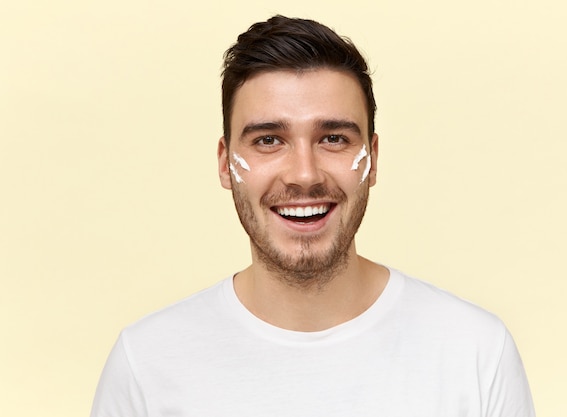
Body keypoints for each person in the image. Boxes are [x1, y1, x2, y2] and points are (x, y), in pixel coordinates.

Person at [90, 15, 535, 417]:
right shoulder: (146, 364)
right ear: (226, 164)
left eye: (334, 138)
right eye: (268, 140)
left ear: (372, 159)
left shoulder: (475, 353)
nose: (304, 175)